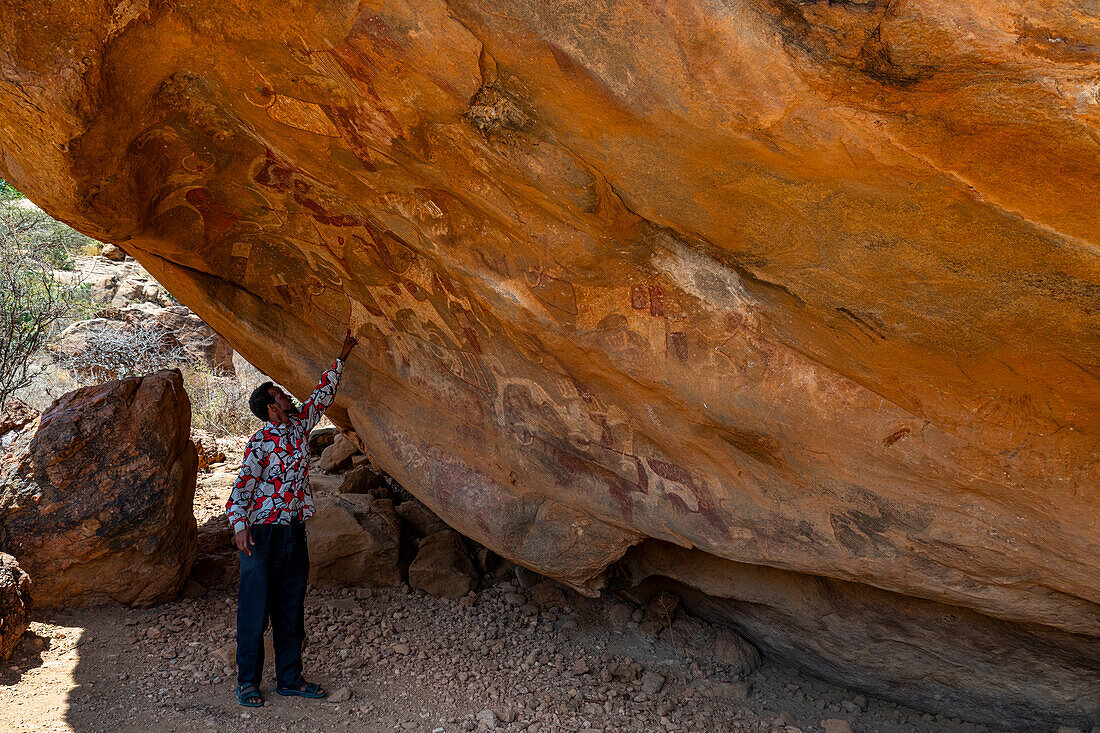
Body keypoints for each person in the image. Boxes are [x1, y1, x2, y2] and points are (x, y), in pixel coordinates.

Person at [226, 330, 358, 707]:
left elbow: (321, 396)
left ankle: (289, 679)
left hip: (293, 534)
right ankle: (248, 682)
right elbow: (240, 490)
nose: (287, 396)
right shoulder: (261, 443)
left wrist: (341, 358)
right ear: (271, 407)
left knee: (290, 607)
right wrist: (239, 526)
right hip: (261, 536)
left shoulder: (300, 427)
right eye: (280, 394)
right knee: (254, 609)